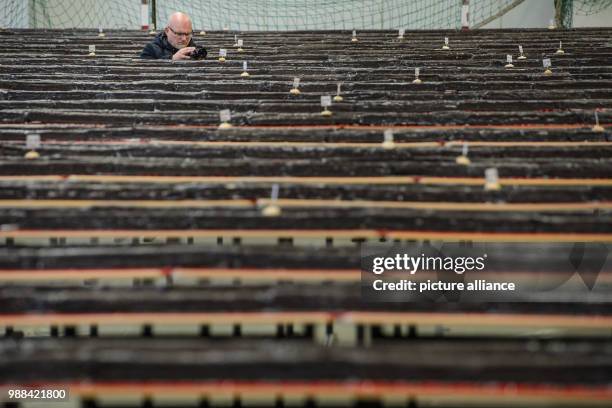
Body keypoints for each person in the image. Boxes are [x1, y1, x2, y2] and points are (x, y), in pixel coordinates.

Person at [140, 12, 205, 60]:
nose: (184, 39)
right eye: (179, 34)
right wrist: (172, 59)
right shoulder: (151, 49)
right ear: (167, 31)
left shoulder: (195, 49)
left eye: (188, 34)